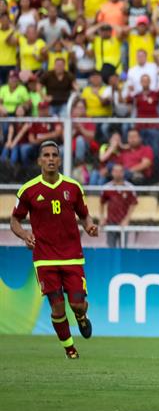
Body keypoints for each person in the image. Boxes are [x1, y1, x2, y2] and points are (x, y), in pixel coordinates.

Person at [10, 141, 98, 359]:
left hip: (72, 257)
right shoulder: (29, 190)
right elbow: (14, 220)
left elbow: (84, 214)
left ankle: (81, 317)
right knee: (57, 308)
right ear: (40, 160)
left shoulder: (73, 188)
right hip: (45, 258)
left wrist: (89, 225)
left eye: (54, 155)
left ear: (59, 160)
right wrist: (24, 235)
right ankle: (70, 349)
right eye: (46, 155)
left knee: (77, 304)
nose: (50, 159)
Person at [99, 164, 138, 248]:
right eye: (115, 171)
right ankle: (111, 261)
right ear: (112, 173)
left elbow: (133, 204)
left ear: (123, 173)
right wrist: (102, 218)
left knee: (123, 248)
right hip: (111, 222)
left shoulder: (130, 188)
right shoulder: (107, 187)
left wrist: (126, 220)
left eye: (120, 171)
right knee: (111, 248)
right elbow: (102, 203)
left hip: (123, 222)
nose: (118, 173)